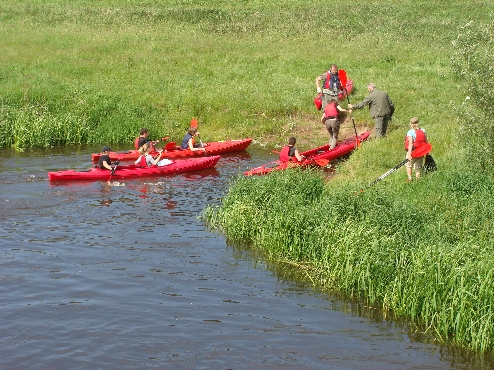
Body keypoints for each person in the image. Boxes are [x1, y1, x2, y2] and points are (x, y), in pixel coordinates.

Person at [405, 117, 428, 182]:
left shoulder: (410, 132)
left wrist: (409, 154)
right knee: (417, 167)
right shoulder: (423, 130)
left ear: (410, 124)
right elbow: (426, 141)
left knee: (408, 165)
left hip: (413, 152)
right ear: (418, 123)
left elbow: (411, 144)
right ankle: (418, 180)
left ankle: (410, 178)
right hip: (421, 152)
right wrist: (426, 151)